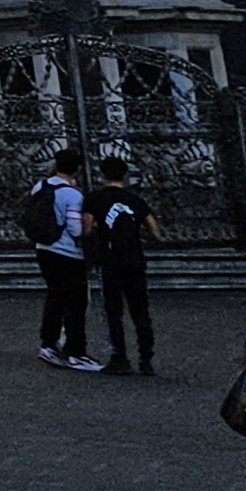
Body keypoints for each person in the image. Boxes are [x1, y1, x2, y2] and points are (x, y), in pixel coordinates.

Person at [27, 146, 98, 371]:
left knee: (55, 296)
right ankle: (76, 351)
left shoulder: (41, 186)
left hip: (44, 248)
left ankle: (49, 344)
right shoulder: (72, 195)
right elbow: (77, 229)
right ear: (77, 169)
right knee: (75, 302)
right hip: (67, 252)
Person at [88, 155, 153, 377]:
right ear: (125, 175)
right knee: (140, 310)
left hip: (109, 260)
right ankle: (146, 358)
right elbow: (155, 230)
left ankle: (119, 357)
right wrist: (139, 235)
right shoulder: (136, 201)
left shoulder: (94, 199)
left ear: (102, 175)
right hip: (134, 258)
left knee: (113, 310)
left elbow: (86, 228)